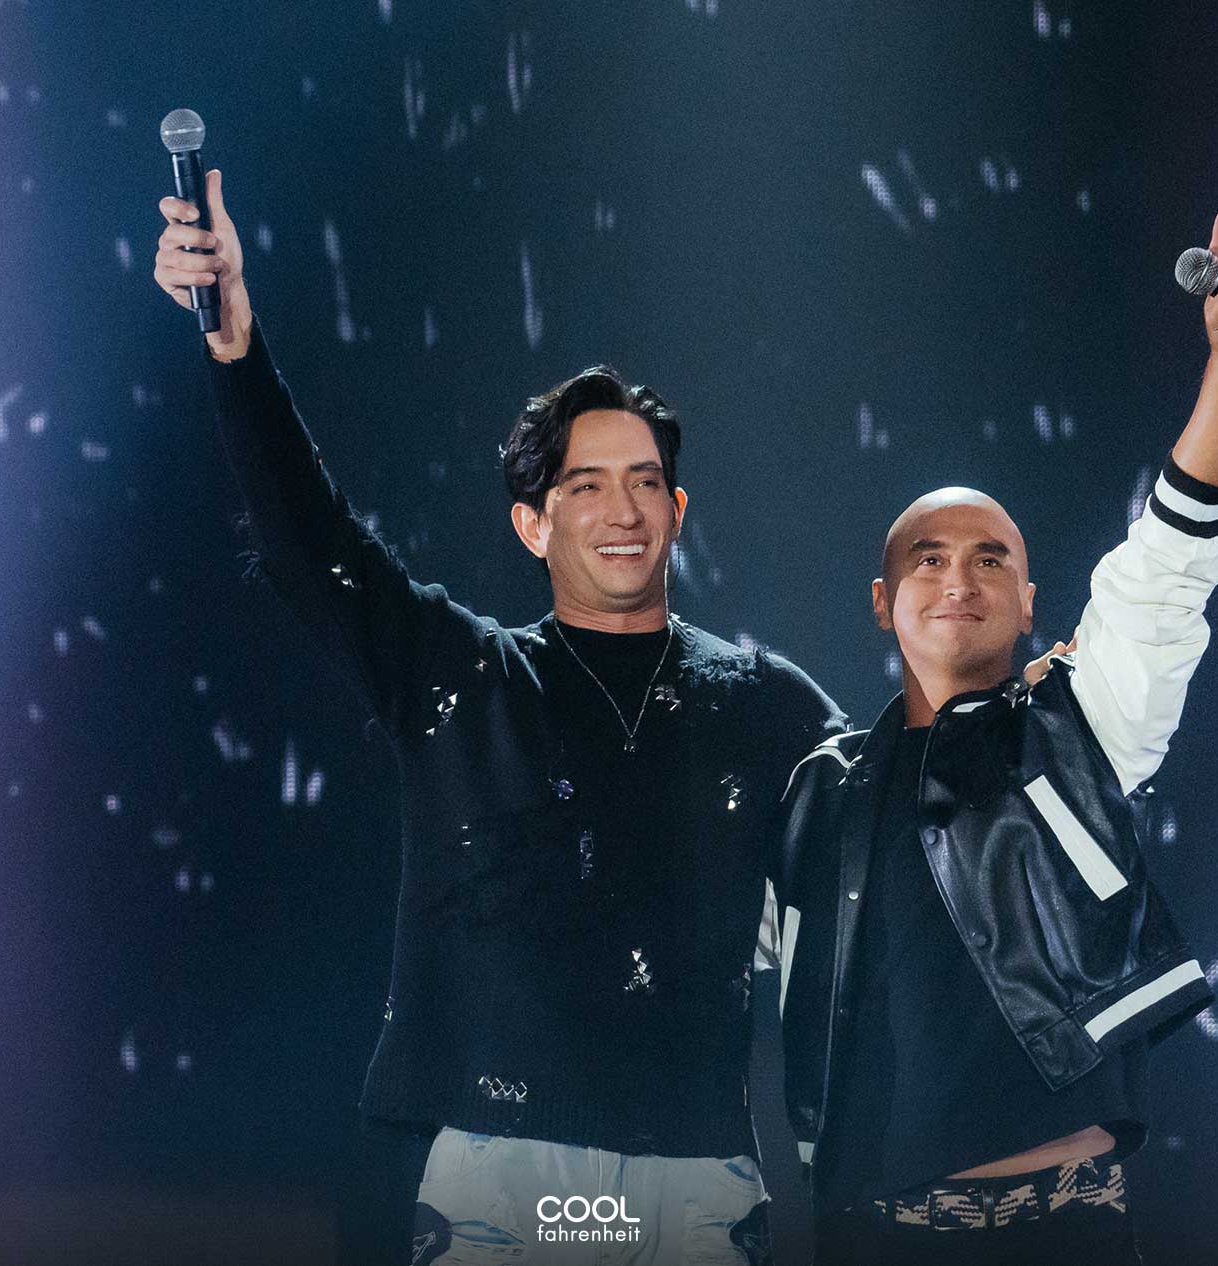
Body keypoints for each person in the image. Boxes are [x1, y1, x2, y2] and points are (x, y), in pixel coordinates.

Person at [152, 171, 846, 1265]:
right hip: (493, 1165)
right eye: (585, 485)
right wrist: (237, 351)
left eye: (645, 482)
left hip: (696, 1172)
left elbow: (901, 849)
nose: (621, 509)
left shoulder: (770, 705)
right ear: (532, 523)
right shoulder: (465, 677)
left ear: (677, 510)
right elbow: (310, 545)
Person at [770, 195, 1218, 1264]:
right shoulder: (821, 790)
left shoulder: (1076, 726)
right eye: (927, 559)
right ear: (881, 602)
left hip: (1061, 1229)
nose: (957, 579)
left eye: (990, 560)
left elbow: (1165, 567)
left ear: (1028, 603)